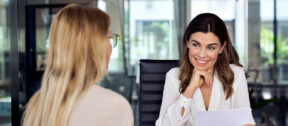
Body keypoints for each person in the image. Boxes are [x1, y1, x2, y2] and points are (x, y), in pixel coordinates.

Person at [23, 4, 133, 126]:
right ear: (95, 48)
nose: (110, 47)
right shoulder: (113, 105)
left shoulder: (37, 104)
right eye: (108, 38)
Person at [155, 13, 255, 126]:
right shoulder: (174, 77)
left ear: (221, 47)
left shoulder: (236, 75)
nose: (202, 55)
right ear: (187, 42)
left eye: (211, 47)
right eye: (196, 45)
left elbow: (247, 122)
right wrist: (190, 89)